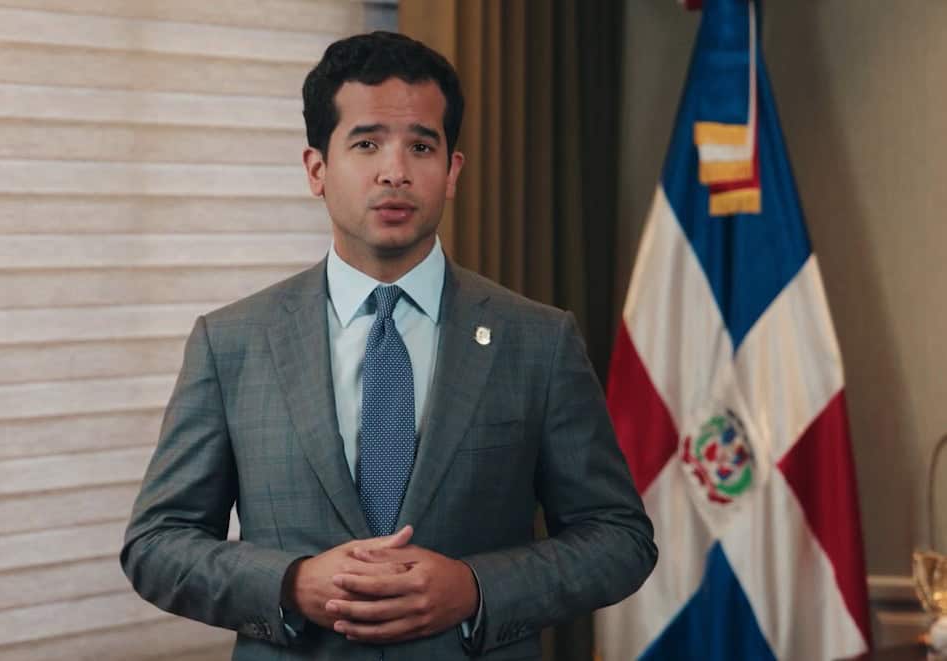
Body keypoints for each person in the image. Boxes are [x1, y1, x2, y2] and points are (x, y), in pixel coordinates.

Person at [120, 31, 656, 660]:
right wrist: (291, 584)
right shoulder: (232, 342)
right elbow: (157, 543)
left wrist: (475, 589)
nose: (395, 171)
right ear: (317, 169)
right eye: (366, 143)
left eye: (421, 146)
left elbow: (618, 538)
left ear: (452, 172)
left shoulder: (539, 340)